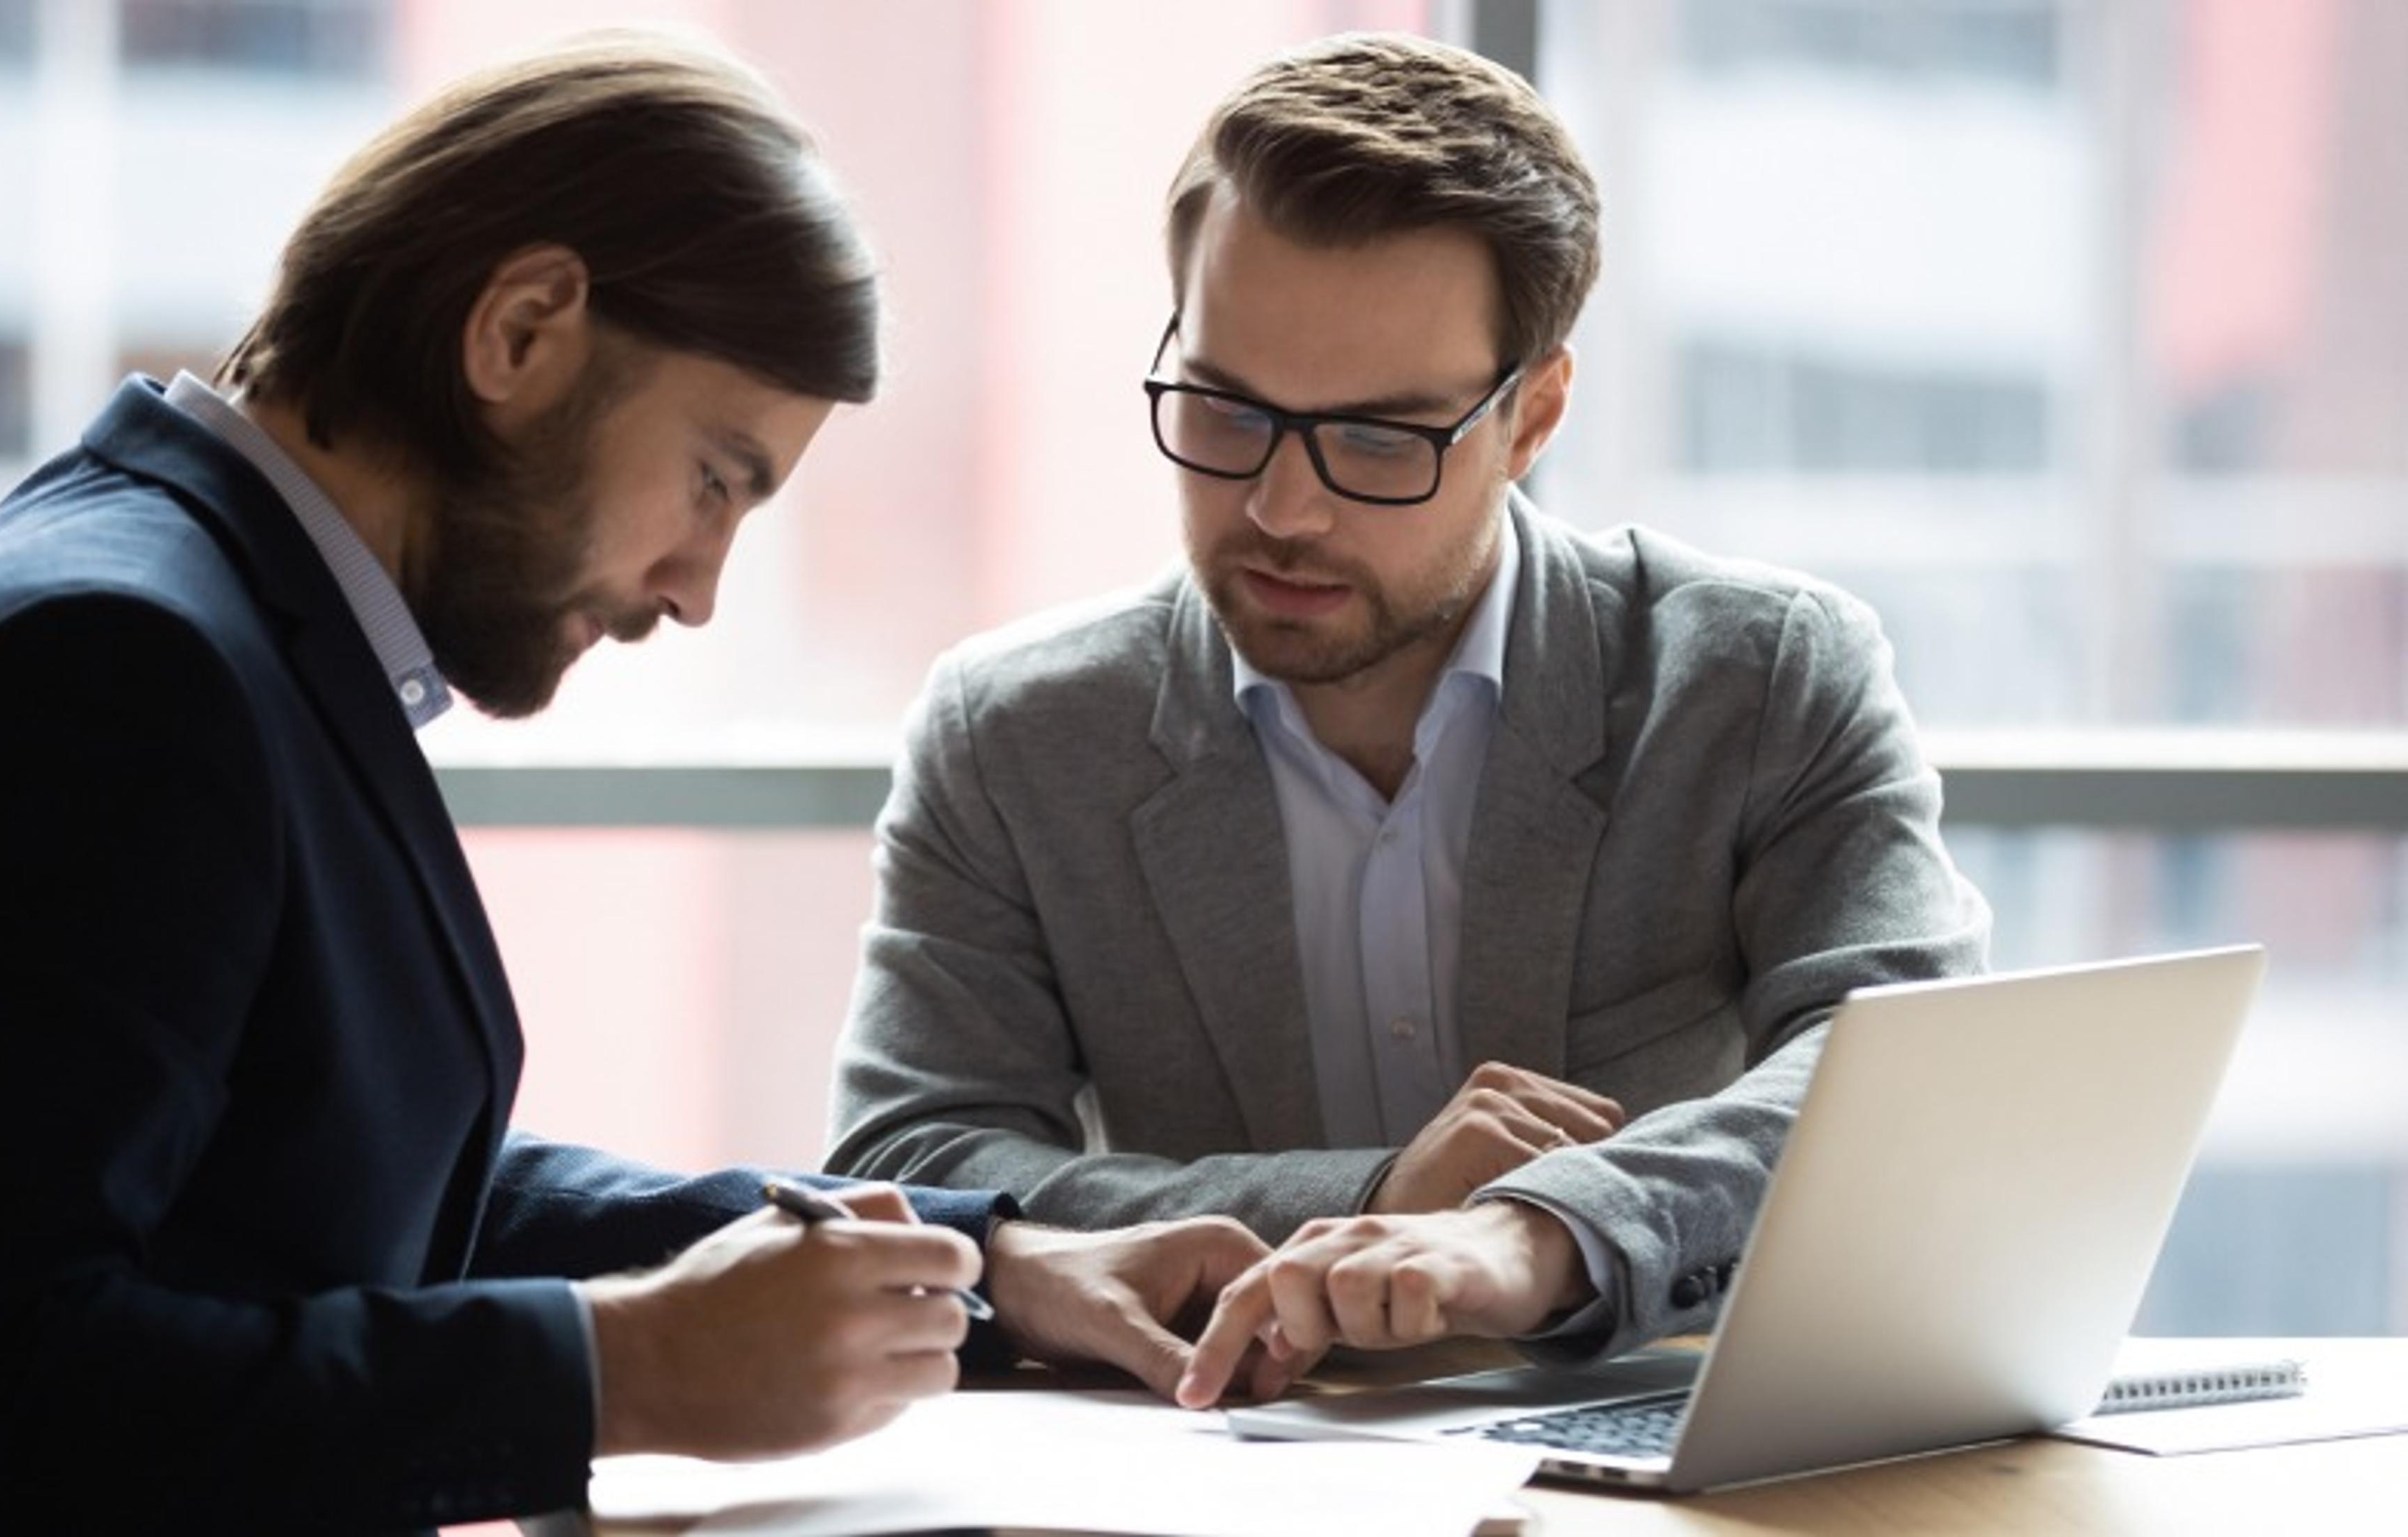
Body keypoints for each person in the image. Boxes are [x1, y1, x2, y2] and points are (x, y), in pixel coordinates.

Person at [0, 34, 1273, 1536]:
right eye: (717, 477)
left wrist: (979, 1263)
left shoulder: (206, 617)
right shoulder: (119, 671)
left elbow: (328, 1180)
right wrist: (620, 1369)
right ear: (520, 330)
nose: (699, 586)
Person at [822, 32, 1990, 1402]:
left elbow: (1907, 1074)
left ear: (1533, 415)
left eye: (1380, 439)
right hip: (1218, 1472)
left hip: (1652, 1470)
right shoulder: (1016, 737)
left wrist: (1533, 1234)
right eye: (1225, 407)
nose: (1280, 508)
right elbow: (911, 1166)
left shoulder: (1757, 679)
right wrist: (1369, 1192)